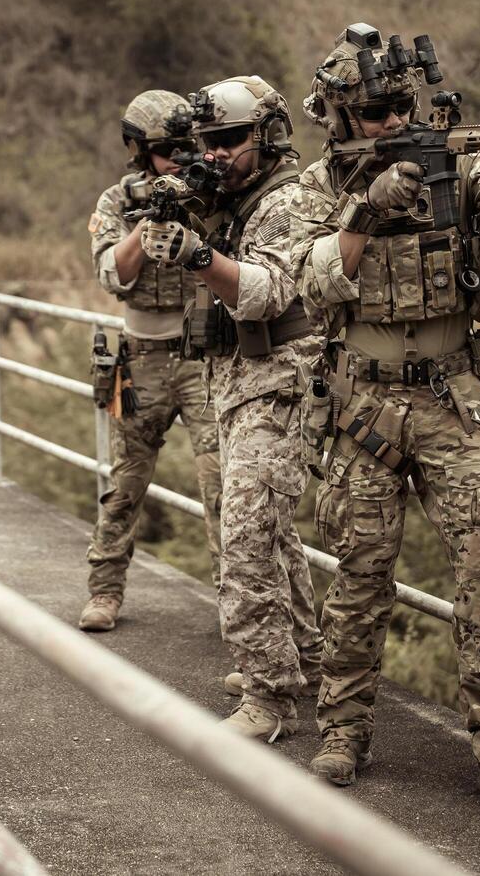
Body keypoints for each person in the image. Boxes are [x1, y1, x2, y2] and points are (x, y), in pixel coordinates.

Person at [289, 23, 480, 812]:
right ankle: (342, 731)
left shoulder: (454, 165)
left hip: (451, 402)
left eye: (399, 106)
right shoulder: (316, 188)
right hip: (363, 402)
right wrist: (364, 212)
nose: (389, 122)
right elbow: (316, 283)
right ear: (337, 118)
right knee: (360, 578)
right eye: (370, 113)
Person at [140, 76, 322, 742]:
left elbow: (266, 292)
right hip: (235, 375)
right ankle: (300, 653)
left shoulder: (289, 200)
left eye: (228, 140)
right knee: (266, 528)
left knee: (244, 531)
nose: (214, 154)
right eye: (205, 142)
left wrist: (196, 256)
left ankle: (269, 697)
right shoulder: (231, 195)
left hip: (279, 375)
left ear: (268, 136)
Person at [79, 90, 224, 633]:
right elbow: (113, 276)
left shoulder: (210, 194)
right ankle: (104, 590)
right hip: (140, 360)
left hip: (203, 357)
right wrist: (151, 220)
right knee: (126, 485)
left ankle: (234, 603)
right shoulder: (117, 201)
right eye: (167, 151)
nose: (179, 161)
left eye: (187, 148)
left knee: (222, 487)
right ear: (141, 150)